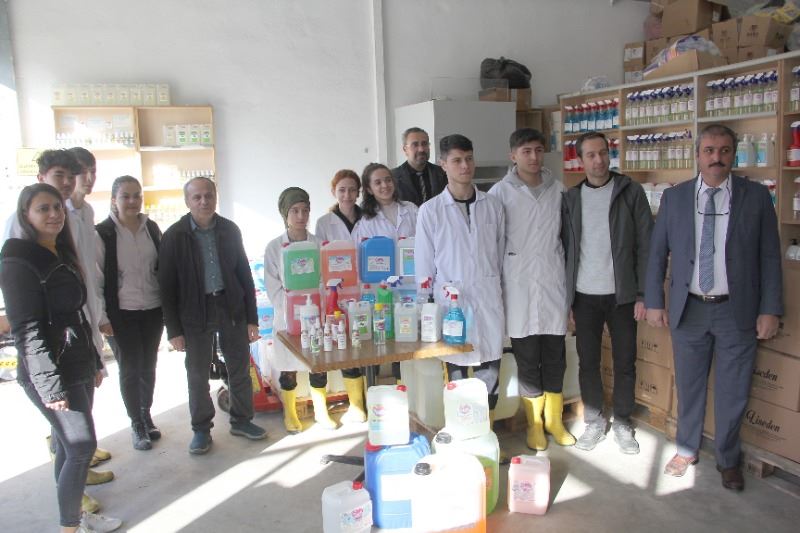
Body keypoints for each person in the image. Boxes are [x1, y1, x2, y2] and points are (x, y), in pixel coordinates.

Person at [645, 124, 782, 491]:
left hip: (737, 310)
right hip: (688, 310)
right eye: (709, 150)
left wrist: (770, 309)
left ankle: (728, 459)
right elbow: (657, 254)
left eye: (724, 150)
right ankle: (686, 449)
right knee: (689, 386)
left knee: (733, 390)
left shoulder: (756, 197)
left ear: (733, 155)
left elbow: (770, 257)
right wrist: (654, 301)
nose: (716, 158)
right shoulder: (675, 198)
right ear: (698, 155)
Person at [0, 183, 122, 533]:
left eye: (57, 207)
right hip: (51, 371)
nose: (54, 214)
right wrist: (50, 387)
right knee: (82, 446)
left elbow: (77, 315)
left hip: (78, 361)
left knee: (69, 448)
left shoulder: (60, 253)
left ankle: (75, 517)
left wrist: (95, 360)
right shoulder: (18, 262)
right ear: (26, 215)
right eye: (43, 208)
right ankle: (70, 527)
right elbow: (27, 331)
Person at [158, 176, 266, 455]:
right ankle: (201, 430)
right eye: (197, 197)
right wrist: (174, 331)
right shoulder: (174, 236)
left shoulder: (229, 230)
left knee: (239, 368)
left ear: (216, 196)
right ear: (187, 201)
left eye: (208, 195)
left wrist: (251, 319)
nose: (204, 201)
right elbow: (166, 287)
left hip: (230, 307)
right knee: (197, 374)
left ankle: (242, 420)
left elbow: (244, 274)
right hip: (195, 312)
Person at [561, 131, 652, 455]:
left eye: (603, 153)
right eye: (591, 155)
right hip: (584, 295)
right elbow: (565, 249)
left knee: (625, 360)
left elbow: (646, 244)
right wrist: (567, 300)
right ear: (580, 160)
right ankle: (595, 421)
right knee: (588, 361)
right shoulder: (571, 199)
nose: (598, 160)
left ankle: (623, 422)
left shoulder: (630, 191)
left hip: (622, 295)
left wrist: (643, 294)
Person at [488, 128, 573, 451]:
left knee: (555, 357)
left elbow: (567, 238)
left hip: (552, 283)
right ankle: (534, 425)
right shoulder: (499, 193)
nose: (534, 157)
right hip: (518, 285)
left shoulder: (559, 190)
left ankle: (554, 420)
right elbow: (493, 244)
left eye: (538, 150)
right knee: (527, 359)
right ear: (513, 155)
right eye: (526, 151)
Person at [415, 133, 505, 428]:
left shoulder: (493, 205)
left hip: (488, 300)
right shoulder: (430, 211)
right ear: (443, 164)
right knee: (456, 379)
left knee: (490, 375)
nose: (465, 166)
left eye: (468, 159)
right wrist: (426, 310)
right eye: (457, 160)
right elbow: (424, 266)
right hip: (451, 306)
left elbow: (500, 254)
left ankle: (486, 433)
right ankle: (460, 435)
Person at [267, 187, 366, 434]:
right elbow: (273, 286)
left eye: (305, 210)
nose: (301, 216)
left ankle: (321, 411)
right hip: (287, 318)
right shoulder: (274, 247)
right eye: (295, 211)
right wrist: (292, 309)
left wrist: (319, 306)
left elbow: (327, 280)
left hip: (317, 314)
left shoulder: (320, 245)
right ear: (285, 214)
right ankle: (290, 413)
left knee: (317, 363)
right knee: (288, 366)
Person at [96, 176, 164, 451]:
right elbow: (97, 278)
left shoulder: (151, 228)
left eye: (137, 195)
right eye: (126, 196)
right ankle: (136, 423)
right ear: (114, 199)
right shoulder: (103, 233)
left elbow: (160, 268)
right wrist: (102, 317)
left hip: (152, 309)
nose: (133, 201)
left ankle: (146, 415)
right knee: (130, 367)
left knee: (148, 366)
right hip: (121, 313)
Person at [352, 163, 418, 381]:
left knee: (410, 341)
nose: (384, 186)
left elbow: (426, 245)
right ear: (369, 189)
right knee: (384, 342)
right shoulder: (366, 222)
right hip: (381, 291)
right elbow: (361, 262)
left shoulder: (411, 210)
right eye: (378, 182)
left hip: (411, 287)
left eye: (388, 180)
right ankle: (379, 389)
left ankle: (407, 387)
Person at [392, 127, 447, 206]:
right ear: (405, 149)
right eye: (415, 145)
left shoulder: (443, 173)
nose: (421, 149)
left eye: (424, 144)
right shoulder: (393, 177)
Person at [314, 169, 363, 241]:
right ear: (334, 192)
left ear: (358, 193)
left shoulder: (369, 220)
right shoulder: (323, 223)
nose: (347, 195)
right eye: (342, 190)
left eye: (352, 190)